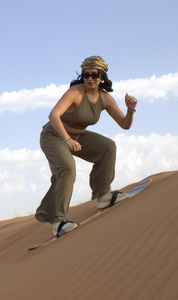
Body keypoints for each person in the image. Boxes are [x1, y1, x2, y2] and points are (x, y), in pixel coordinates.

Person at [35, 55, 138, 237]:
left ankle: (104, 196)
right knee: (67, 168)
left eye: (95, 75)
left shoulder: (105, 99)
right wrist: (67, 139)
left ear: (102, 77)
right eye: (86, 74)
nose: (90, 79)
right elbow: (53, 115)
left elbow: (124, 124)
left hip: (78, 136)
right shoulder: (75, 92)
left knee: (108, 146)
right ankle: (58, 221)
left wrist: (130, 111)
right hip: (54, 135)